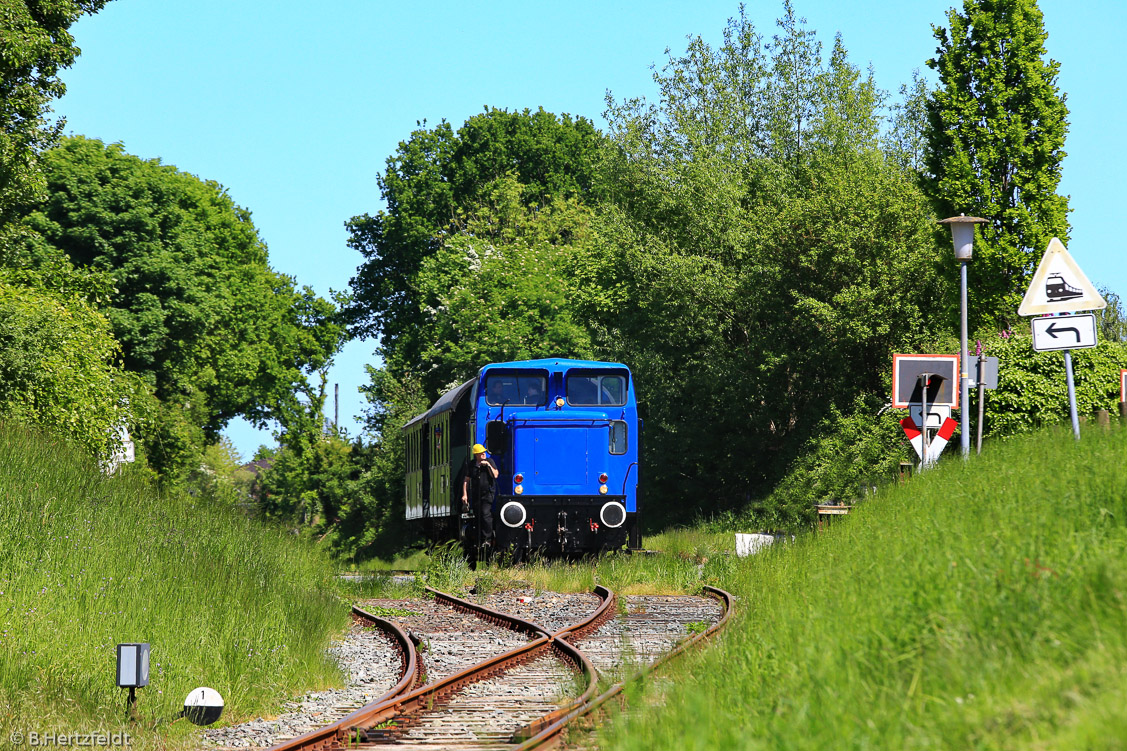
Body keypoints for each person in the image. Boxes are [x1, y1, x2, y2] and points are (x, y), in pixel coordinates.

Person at [462, 443, 498, 545]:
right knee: (478, 516)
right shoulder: (472, 465)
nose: (483, 455)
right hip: (476, 494)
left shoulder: (490, 462)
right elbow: (466, 480)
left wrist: (488, 466)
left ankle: (488, 539)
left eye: (484, 453)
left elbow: (495, 475)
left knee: (485, 513)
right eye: (481, 453)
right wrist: (465, 495)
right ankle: (479, 539)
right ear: (476, 455)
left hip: (488, 494)